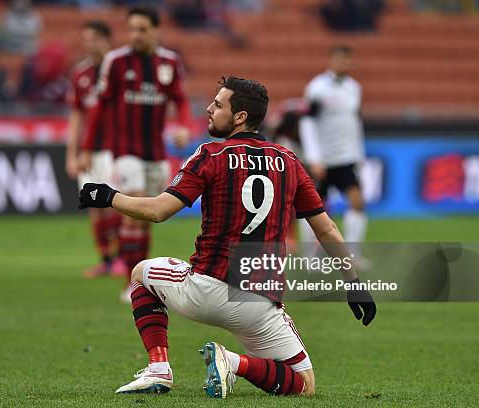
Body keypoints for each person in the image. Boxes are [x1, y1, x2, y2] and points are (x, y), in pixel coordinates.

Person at [78, 76, 377, 397]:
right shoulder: (290, 162)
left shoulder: (210, 155)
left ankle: (159, 369)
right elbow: (327, 229)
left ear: (240, 117)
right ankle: (234, 362)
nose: (208, 108)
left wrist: (109, 196)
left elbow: (158, 211)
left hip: (206, 290)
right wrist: (354, 282)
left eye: (218, 104)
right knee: (303, 385)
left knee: (139, 273)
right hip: (259, 304)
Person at [79, 6, 192, 301]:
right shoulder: (116, 62)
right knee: (134, 209)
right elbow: (98, 107)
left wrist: (183, 125)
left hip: (156, 152)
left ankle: (140, 277)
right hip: (125, 150)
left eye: (142, 29)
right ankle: (132, 283)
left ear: (156, 30)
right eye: (131, 29)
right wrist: (88, 148)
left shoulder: (169, 62)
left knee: (147, 216)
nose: (136, 35)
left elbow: (180, 99)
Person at [298, 45, 370, 268]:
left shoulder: (354, 88)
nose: (344, 64)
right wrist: (314, 158)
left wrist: (359, 154)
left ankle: (352, 255)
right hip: (323, 159)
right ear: (331, 61)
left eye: (347, 61)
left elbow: (355, 123)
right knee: (313, 209)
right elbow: (307, 122)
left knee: (357, 202)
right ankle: (310, 257)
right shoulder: (318, 89)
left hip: (346, 157)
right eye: (339, 60)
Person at [65, 21, 124, 278]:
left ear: (106, 40)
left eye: (93, 39)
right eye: (85, 39)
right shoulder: (80, 74)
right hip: (89, 150)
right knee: (93, 205)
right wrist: (72, 152)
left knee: (116, 203)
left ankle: (122, 257)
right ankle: (106, 260)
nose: (88, 44)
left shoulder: (121, 70)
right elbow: (77, 115)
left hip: (115, 148)